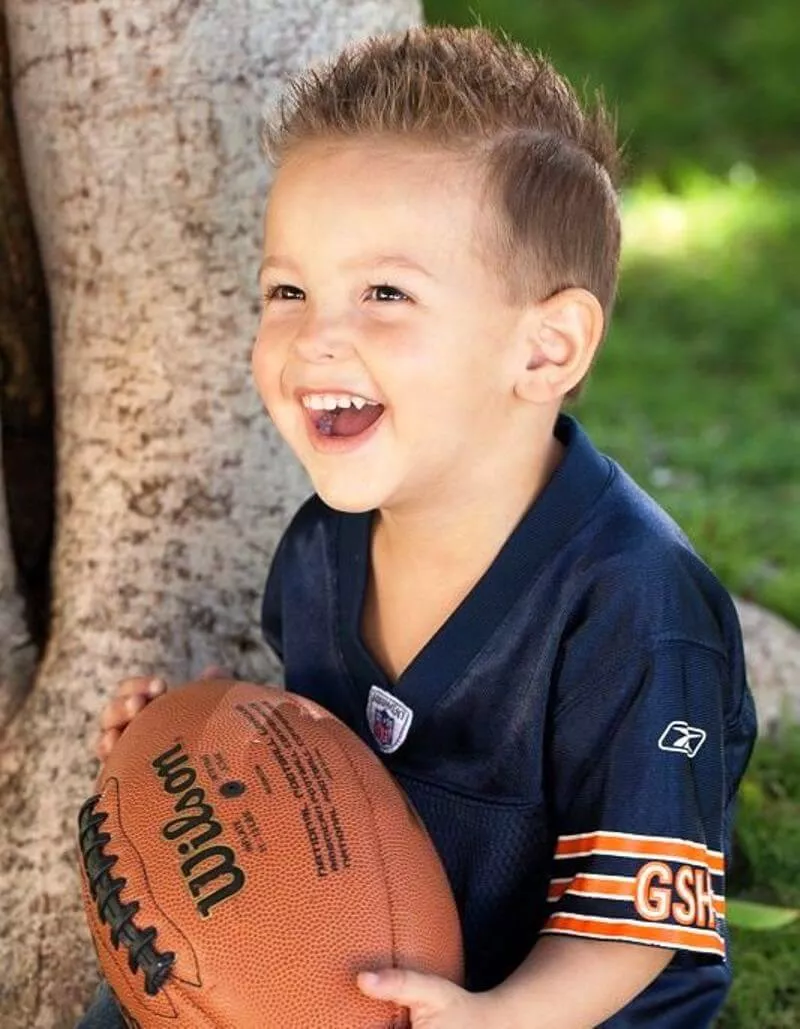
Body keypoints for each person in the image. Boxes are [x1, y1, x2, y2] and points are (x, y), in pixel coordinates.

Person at [81, 25, 757, 1029]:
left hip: (557, 1004)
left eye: (384, 294)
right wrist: (186, 767)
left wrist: (491, 1018)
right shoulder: (319, 551)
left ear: (543, 348)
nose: (316, 336)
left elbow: (631, 929)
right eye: (288, 291)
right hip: (373, 968)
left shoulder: (635, 609)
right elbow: (327, 777)